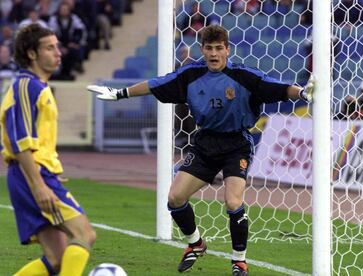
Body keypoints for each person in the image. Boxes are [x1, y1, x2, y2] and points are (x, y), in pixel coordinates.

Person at [87, 25, 314, 276]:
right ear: (202, 50)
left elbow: (278, 88)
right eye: (209, 48)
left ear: (227, 49)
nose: (214, 54)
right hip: (205, 143)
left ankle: (239, 261)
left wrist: (303, 92)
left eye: (219, 48)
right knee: (174, 198)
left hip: (236, 144)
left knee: (233, 201)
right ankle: (196, 244)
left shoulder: (244, 77)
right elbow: (155, 84)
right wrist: (119, 94)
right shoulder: (190, 76)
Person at [0, 24, 96, 276]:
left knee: (56, 259)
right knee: (84, 233)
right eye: (49, 47)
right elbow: (21, 142)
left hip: (38, 173)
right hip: (32, 175)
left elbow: (37, 141)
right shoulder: (26, 87)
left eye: (57, 46)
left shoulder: (37, 86)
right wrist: (39, 184)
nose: (58, 52)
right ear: (32, 54)